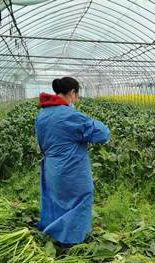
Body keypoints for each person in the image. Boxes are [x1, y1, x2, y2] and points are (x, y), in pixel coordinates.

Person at [35, 76, 110, 246]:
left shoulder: (42, 113)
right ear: (73, 93)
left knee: (57, 200)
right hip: (71, 169)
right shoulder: (68, 114)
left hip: (52, 167)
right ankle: (71, 242)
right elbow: (101, 133)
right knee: (79, 200)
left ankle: (56, 233)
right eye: (77, 95)